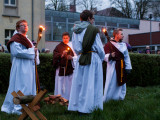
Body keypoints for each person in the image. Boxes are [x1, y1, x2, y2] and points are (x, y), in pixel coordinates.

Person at [68, 10, 105, 113]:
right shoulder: (93, 29)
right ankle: (89, 108)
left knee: (79, 83)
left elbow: (75, 46)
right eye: (92, 18)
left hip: (81, 57)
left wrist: (80, 54)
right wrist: (101, 59)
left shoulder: (75, 30)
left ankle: (76, 106)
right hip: (92, 57)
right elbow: (99, 48)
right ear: (89, 18)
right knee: (91, 83)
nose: (93, 20)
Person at [1, 20, 40, 115]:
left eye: (26, 25)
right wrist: (32, 51)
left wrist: (35, 51)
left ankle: (27, 105)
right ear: (18, 28)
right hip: (20, 66)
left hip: (28, 66)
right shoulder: (15, 39)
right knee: (21, 85)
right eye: (23, 25)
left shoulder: (26, 39)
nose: (26, 27)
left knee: (27, 85)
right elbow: (16, 52)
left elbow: (31, 51)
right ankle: (18, 108)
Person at [103, 28, 132, 102]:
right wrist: (110, 55)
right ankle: (109, 98)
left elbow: (126, 57)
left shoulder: (124, 45)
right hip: (112, 66)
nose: (123, 35)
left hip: (121, 66)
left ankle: (120, 97)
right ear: (116, 35)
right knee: (112, 82)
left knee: (121, 82)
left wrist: (128, 67)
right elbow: (103, 56)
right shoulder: (108, 45)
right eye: (121, 34)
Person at [53, 32, 77, 100]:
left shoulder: (73, 46)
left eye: (66, 38)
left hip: (70, 69)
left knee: (69, 84)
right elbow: (55, 55)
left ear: (69, 38)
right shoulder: (58, 46)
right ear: (62, 38)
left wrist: (72, 58)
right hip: (61, 68)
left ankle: (69, 98)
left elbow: (76, 56)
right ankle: (60, 97)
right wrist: (62, 55)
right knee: (60, 84)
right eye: (64, 38)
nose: (65, 39)